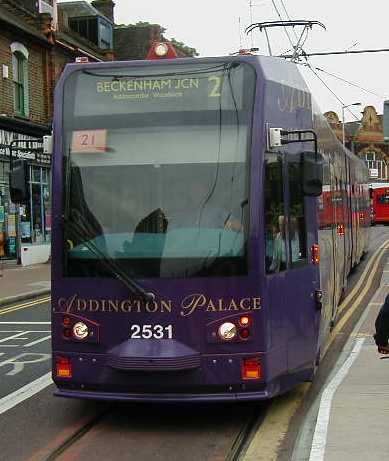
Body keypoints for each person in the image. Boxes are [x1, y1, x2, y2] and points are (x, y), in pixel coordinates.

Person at [167, 181, 243, 232]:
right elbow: (171, 237)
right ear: (189, 193)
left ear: (206, 192)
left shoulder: (217, 212)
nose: (196, 192)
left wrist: (232, 225)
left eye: (200, 189)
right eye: (193, 189)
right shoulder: (179, 215)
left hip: (215, 255)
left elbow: (239, 226)